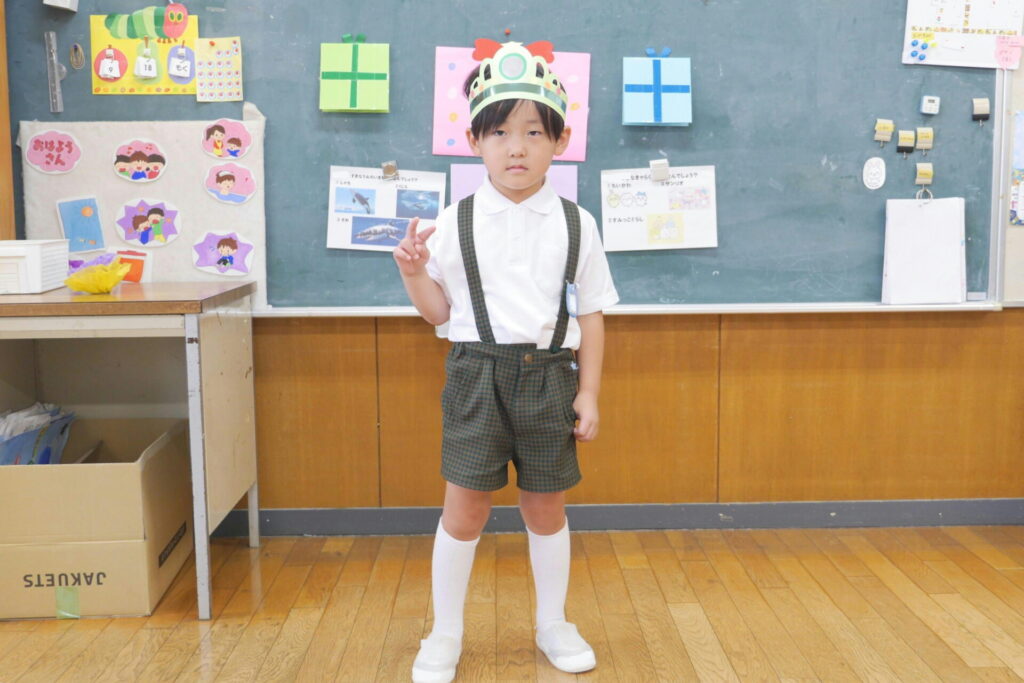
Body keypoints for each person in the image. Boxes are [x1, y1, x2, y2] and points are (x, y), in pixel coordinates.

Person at [393, 40, 618, 683]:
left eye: (533, 132)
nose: (516, 148)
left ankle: (553, 622)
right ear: (474, 142)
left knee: (546, 507)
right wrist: (413, 273)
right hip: (476, 375)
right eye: (499, 133)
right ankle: (445, 632)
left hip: (550, 377)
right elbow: (438, 313)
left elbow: (592, 313)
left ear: (560, 141)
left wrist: (589, 392)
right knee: (464, 508)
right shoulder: (454, 220)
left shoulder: (577, 223)